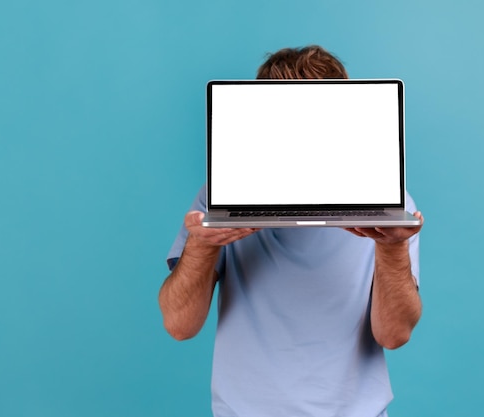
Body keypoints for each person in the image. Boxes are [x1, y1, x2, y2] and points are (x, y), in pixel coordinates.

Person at [159, 45, 424, 417]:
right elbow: (179, 325)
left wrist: (393, 248)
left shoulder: (389, 205)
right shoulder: (220, 196)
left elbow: (394, 335)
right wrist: (202, 248)